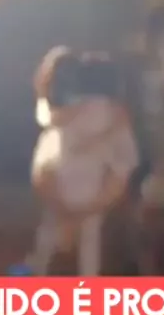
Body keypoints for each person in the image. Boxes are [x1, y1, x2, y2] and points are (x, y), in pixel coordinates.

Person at [26, 46, 139, 276]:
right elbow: (125, 162)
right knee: (90, 239)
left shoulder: (67, 111)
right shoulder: (113, 113)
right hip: (93, 188)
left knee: (49, 232)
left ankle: (38, 270)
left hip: (63, 183)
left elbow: (48, 125)